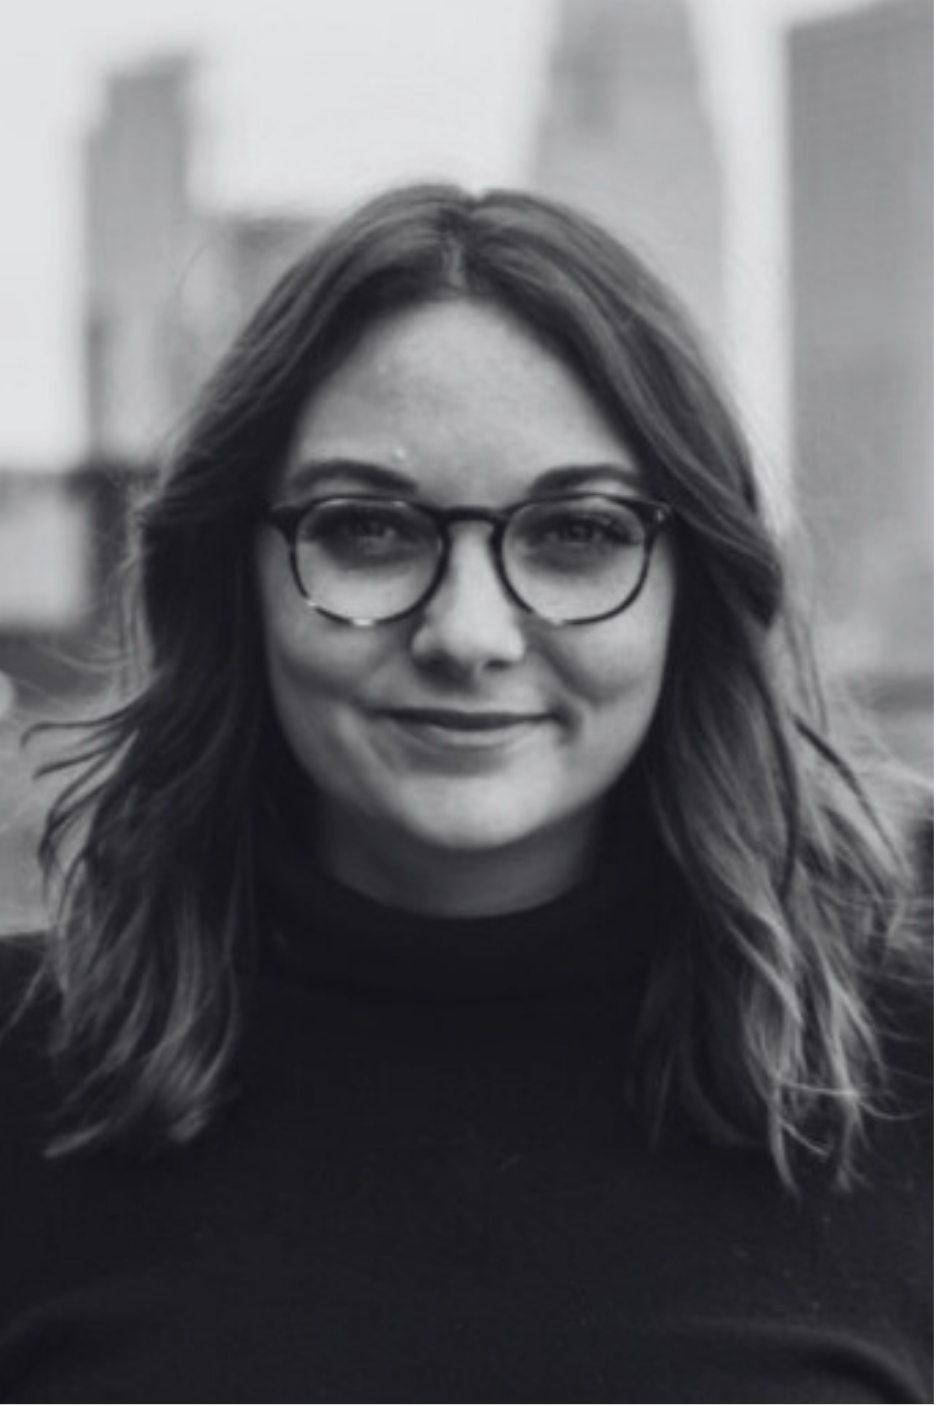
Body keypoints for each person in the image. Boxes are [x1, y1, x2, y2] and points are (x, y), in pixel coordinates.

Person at [0, 183, 930, 1403]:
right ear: (236, 573)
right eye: (369, 528)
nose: (469, 632)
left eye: (577, 531)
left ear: (690, 588)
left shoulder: (910, 1082)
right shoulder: (22, 1077)